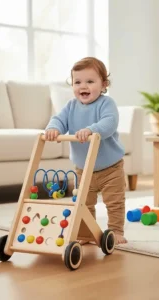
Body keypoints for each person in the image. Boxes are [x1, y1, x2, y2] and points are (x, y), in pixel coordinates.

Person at [45, 57, 127, 244]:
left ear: (104, 84)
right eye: (78, 82)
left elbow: (109, 123)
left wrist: (91, 130)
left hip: (110, 168)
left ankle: (116, 230)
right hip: (83, 169)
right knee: (83, 203)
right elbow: (59, 119)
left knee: (114, 201)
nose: (84, 86)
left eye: (90, 81)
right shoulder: (70, 106)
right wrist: (53, 128)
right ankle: (86, 232)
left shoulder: (106, 104)